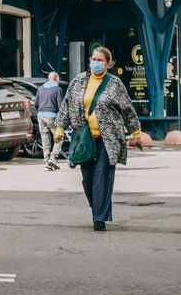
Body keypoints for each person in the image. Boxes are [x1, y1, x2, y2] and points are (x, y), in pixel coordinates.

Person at [59, 45, 146, 231]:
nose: (95, 63)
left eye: (100, 60)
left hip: (109, 139)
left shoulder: (115, 84)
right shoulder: (78, 82)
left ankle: (99, 218)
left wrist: (136, 134)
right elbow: (66, 106)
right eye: (93, 59)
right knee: (88, 179)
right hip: (85, 139)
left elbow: (128, 110)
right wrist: (59, 130)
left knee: (102, 177)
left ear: (108, 64)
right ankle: (98, 207)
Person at [34, 70, 65, 171]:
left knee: (45, 139)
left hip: (41, 116)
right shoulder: (57, 89)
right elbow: (60, 105)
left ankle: (47, 162)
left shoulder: (41, 89)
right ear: (57, 79)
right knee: (59, 138)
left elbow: (36, 104)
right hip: (52, 116)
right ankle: (53, 158)